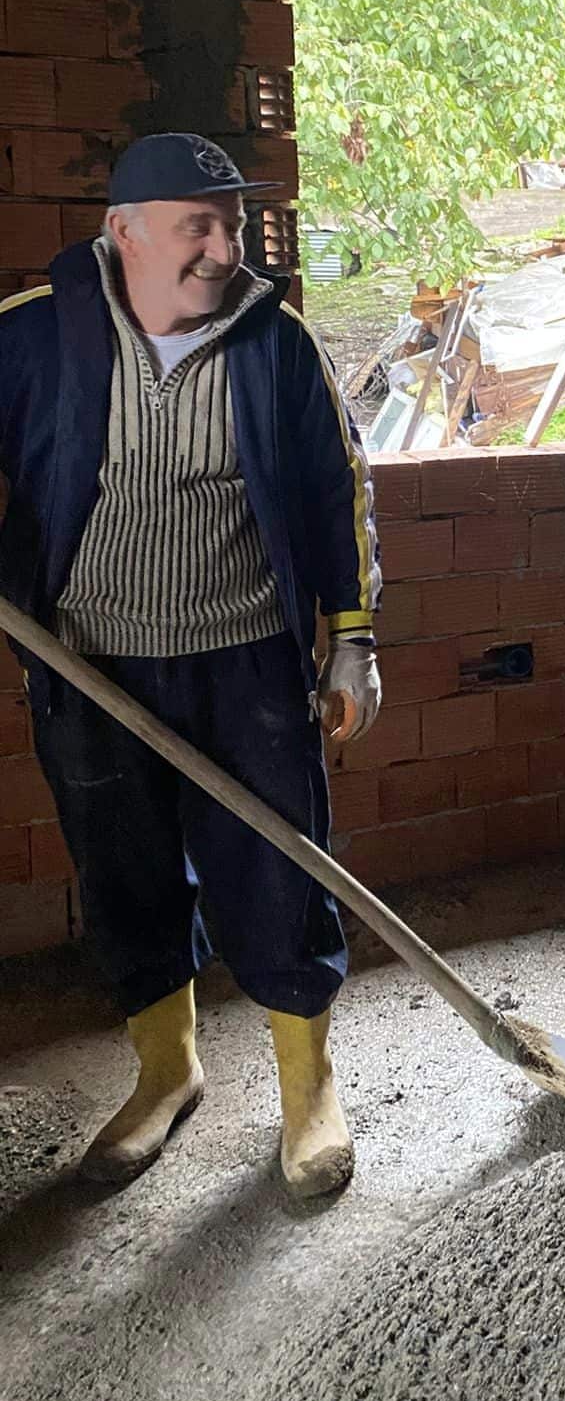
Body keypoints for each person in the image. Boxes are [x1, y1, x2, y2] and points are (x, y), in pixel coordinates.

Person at [0, 133, 382, 1197]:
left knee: (277, 867)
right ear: (122, 231)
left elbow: (336, 492)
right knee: (122, 870)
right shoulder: (36, 337)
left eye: (234, 223)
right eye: (195, 225)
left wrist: (352, 638)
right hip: (85, 664)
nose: (224, 247)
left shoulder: (278, 345)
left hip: (244, 663)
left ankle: (309, 1092)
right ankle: (166, 1073)